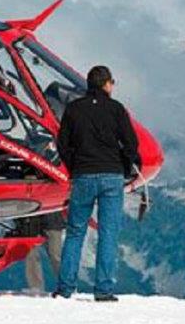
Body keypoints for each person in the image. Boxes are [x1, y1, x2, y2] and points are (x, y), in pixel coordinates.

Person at [53, 65, 140, 302]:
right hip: (112, 175)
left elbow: (63, 144)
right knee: (108, 233)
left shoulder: (73, 109)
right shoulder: (116, 109)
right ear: (107, 84)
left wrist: (74, 166)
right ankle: (103, 290)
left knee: (75, 232)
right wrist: (123, 166)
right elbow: (131, 144)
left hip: (83, 175)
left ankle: (65, 288)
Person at [20, 212, 64, 292]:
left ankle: (66, 285)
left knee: (56, 255)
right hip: (29, 218)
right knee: (31, 255)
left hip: (50, 219)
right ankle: (35, 287)